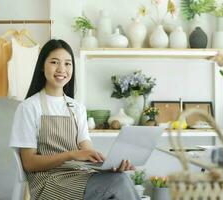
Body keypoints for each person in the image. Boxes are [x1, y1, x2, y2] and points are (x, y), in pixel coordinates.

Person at [9, 39, 141, 200]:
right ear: (42, 67)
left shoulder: (77, 108)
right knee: (118, 185)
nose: (61, 69)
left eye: (67, 64)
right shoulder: (29, 107)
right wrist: (70, 155)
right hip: (47, 182)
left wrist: (109, 167)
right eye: (54, 62)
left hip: (78, 176)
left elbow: (88, 152)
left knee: (119, 178)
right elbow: (29, 163)